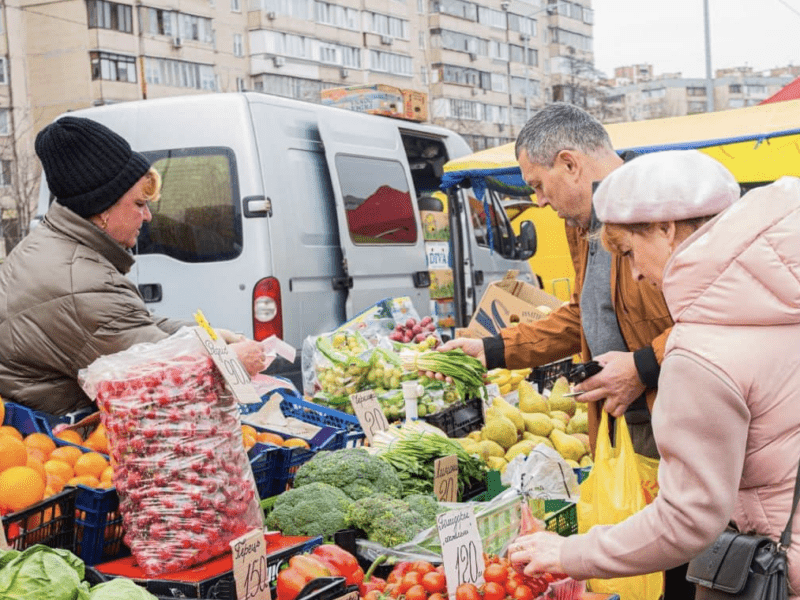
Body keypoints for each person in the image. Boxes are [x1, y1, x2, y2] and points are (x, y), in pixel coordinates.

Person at [509, 149, 800, 596]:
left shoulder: (700, 353)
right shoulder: (784, 297)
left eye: (627, 252)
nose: (636, 275)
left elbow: (688, 520)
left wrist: (570, 553)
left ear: (666, 230)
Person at [439, 103, 673, 459]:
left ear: (569, 164)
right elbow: (582, 316)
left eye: (538, 185)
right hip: (623, 424)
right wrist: (491, 350)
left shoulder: (663, 206)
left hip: (679, 418)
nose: (540, 201)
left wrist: (641, 367)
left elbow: (718, 316)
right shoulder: (581, 225)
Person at [0, 116, 266, 416]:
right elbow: (162, 373)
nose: (149, 216)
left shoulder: (49, 244)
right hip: (62, 444)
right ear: (102, 208)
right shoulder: (80, 284)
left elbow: (133, 324)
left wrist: (207, 335)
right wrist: (229, 361)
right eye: (140, 204)